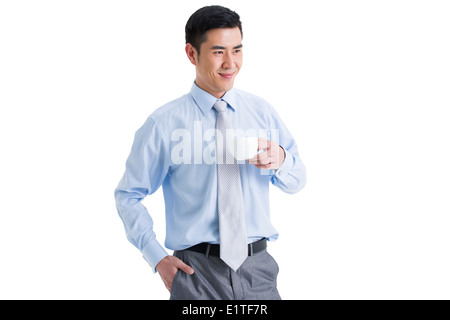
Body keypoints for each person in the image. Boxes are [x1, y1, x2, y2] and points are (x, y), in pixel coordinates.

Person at [114, 5, 306, 300]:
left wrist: (280, 158)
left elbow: (297, 179)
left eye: (237, 50)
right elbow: (128, 195)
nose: (231, 63)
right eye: (218, 52)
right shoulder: (163, 125)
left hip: (259, 272)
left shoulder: (262, 113)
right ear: (192, 54)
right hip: (195, 275)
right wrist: (156, 258)